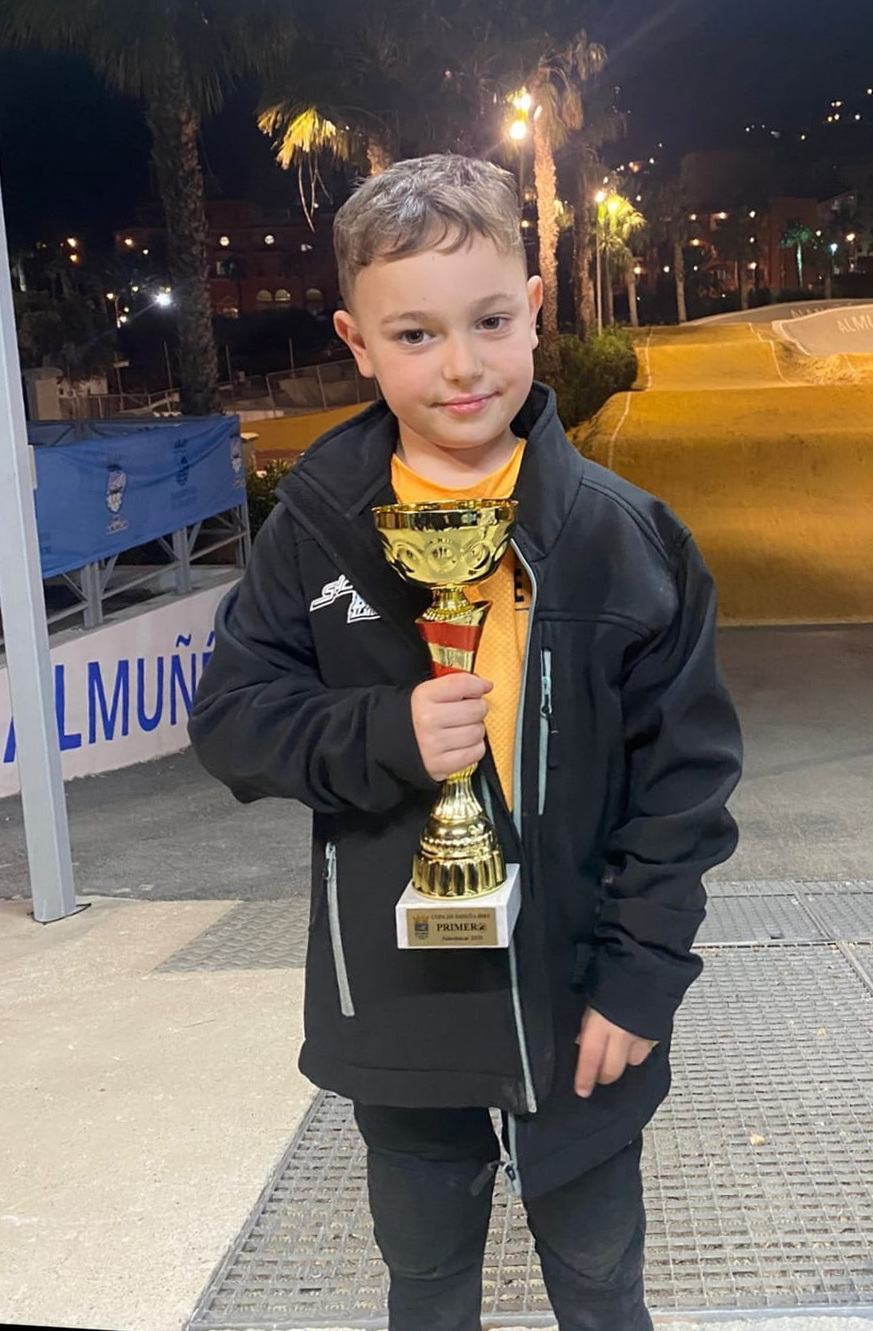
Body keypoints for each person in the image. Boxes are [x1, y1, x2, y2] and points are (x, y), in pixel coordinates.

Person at [188, 154, 742, 1331]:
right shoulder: (315, 529)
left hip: (582, 999)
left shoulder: (630, 541)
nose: (461, 365)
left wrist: (640, 980)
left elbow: (685, 788)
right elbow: (232, 718)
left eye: (489, 321)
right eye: (415, 334)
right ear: (357, 342)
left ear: (534, 309)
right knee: (428, 1287)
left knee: (601, 1285)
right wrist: (380, 729)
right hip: (401, 1001)